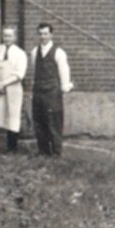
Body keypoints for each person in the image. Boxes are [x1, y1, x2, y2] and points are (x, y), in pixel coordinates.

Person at [29, 23, 72, 155]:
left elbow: (64, 71)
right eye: (41, 34)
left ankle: (56, 152)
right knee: (39, 122)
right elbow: (35, 70)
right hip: (38, 91)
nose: (43, 37)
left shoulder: (59, 52)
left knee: (53, 122)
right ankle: (43, 151)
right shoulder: (34, 52)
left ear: (51, 35)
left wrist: (64, 86)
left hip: (52, 92)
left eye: (46, 34)